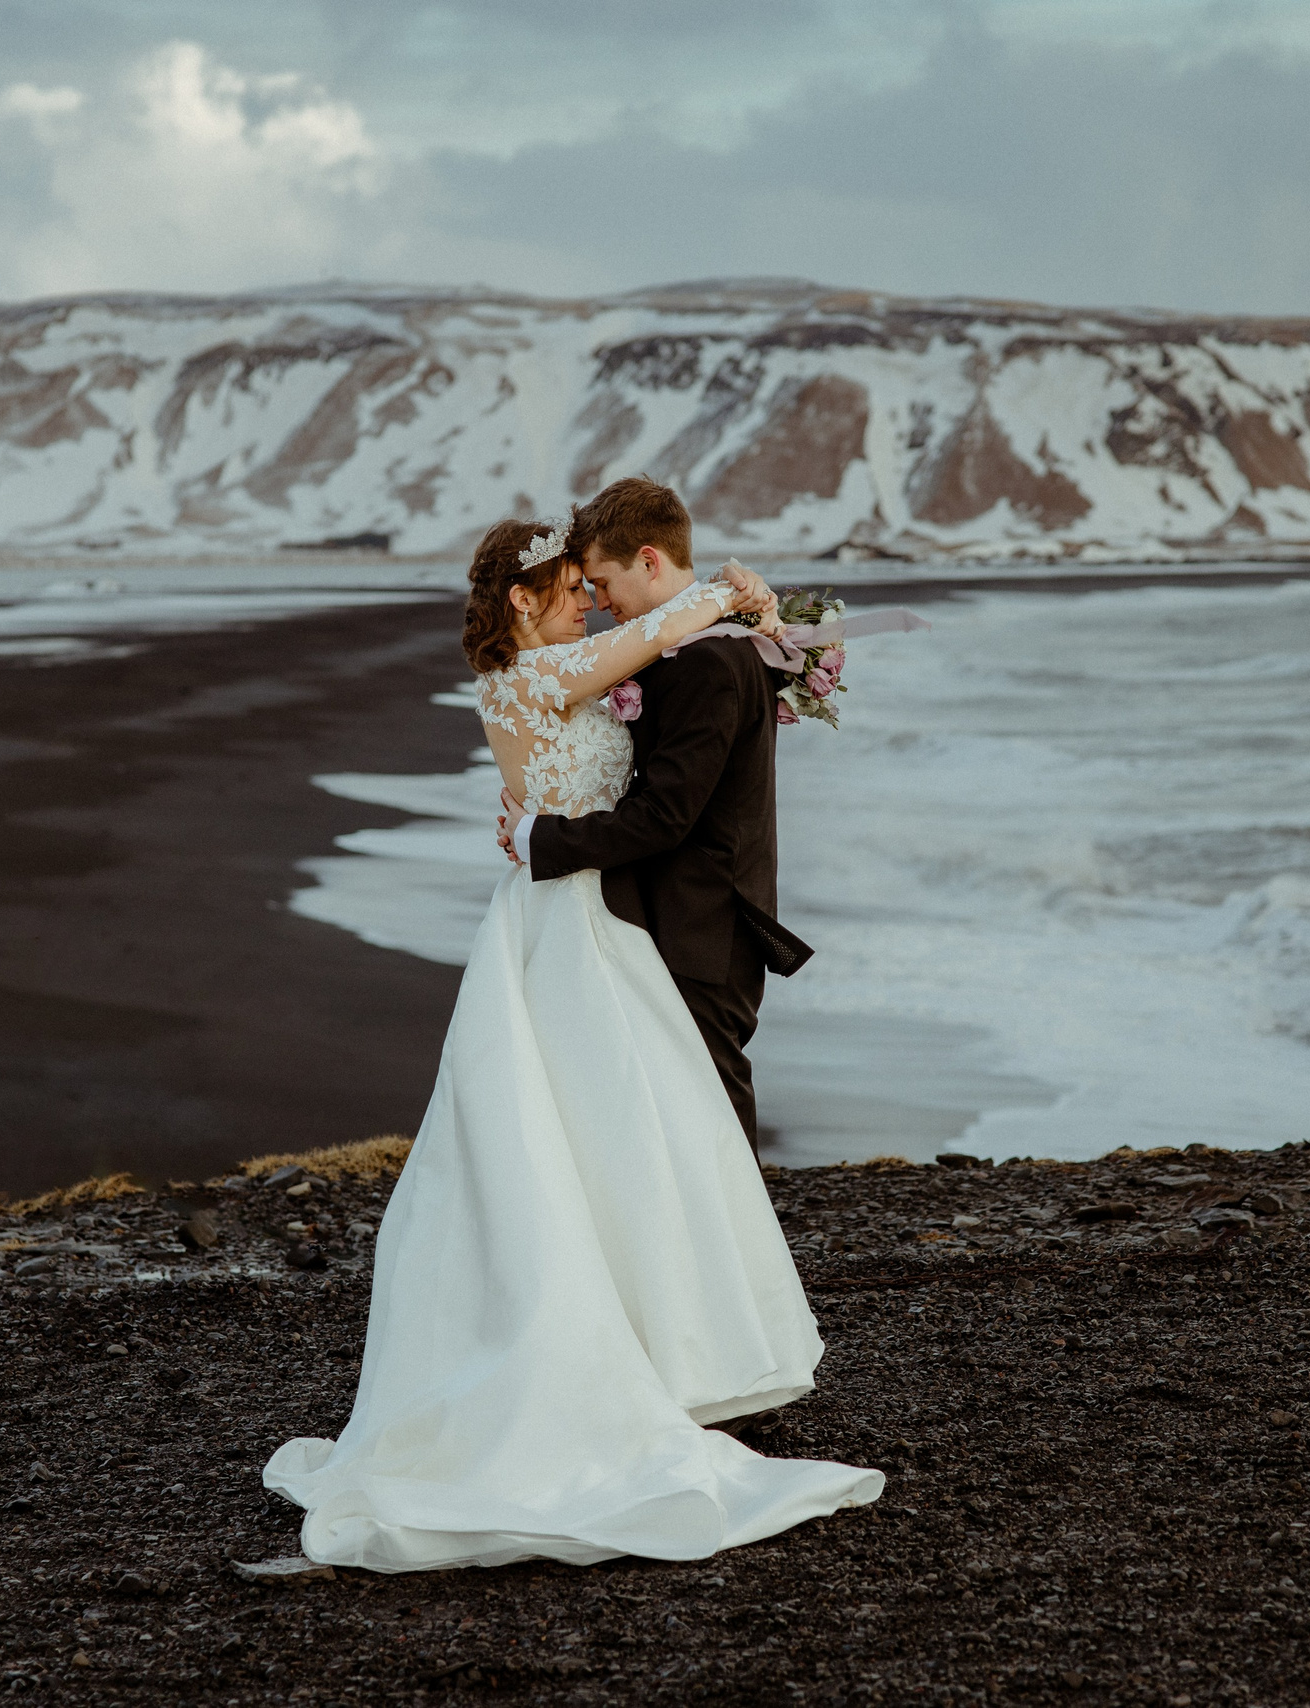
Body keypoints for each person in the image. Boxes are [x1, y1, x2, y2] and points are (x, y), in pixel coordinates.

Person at [263, 509, 882, 1573]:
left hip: (595, 916)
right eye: (568, 585)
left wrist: (752, 630)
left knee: (628, 1139)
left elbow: (646, 707)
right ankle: (597, 1362)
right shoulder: (527, 677)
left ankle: (665, 1348)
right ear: (519, 598)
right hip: (562, 925)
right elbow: (649, 644)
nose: (587, 599)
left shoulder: (570, 669)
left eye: (593, 587)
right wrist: (734, 596)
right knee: (576, 1140)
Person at [499, 476, 810, 1143]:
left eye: (604, 583)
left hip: (704, 922)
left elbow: (668, 815)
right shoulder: (690, 650)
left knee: (712, 1116)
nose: (601, 603)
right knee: (673, 1118)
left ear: (649, 560)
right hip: (669, 918)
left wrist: (540, 836)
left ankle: (741, 1251)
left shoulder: (706, 662)